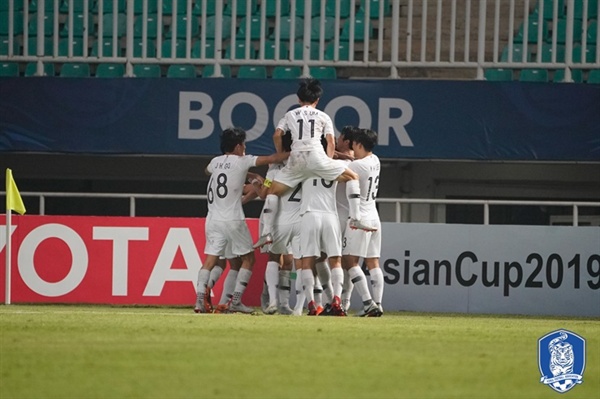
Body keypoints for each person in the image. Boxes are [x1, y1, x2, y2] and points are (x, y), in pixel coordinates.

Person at [253, 78, 377, 249]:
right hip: (317, 163)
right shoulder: (323, 116)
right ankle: (355, 218)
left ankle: (266, 233)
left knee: (272, 192)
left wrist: (281, 155)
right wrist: (327, 161)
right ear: (317, 100)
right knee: (352, 177)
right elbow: (331, 142)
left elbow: (276, 135)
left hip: (295, 161)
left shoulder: (289, 116)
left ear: (298, 99)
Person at [194, 127, 289, 314]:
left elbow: (208, 171)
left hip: (212, 220)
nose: (245, 148)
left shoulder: (214, 162)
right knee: (248, 259)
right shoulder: (243, 161)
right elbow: (272, 159)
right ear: (238, 146)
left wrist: (246, 176)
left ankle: (199, 301)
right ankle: (235, 301)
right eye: (243, 144)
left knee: (211, 261)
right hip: (233, 220)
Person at [342, 128, 384, 317]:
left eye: (354, 146)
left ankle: (367, 303)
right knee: (373, 262)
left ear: (358, 144)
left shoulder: (358, 166)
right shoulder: (375, 160)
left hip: (360, 218)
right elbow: (355, 161)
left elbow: (338, 173)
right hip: (375, 215)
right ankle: (378, 303)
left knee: (349, 260)